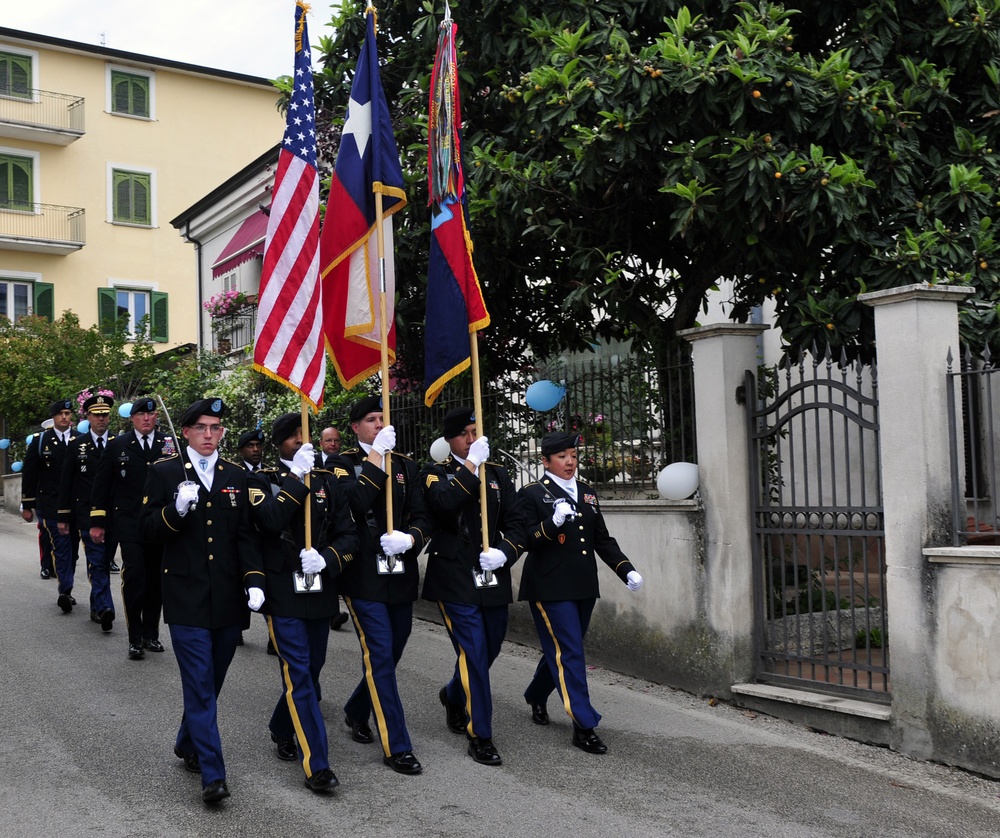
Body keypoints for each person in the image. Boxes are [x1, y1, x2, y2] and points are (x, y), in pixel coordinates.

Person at [139, 397, 265, 805]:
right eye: (202, 428)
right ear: (187, 432)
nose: (210, 434)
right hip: (185, 596)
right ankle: (213, 774)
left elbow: (245, 534)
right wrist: (175, 510)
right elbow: (146, 530)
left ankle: (186, 741)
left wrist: (254, 580)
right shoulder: (165, 472)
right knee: (198, 683)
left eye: (216, 428)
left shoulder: (235, 475)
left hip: (228, 597)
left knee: (212, 682)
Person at [249, 412, 357, 792]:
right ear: (281, 443)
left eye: (306, 436)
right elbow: (269, 521)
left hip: (319, 588)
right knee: (298, 673)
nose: (303, 443)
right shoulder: (263, 479)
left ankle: (281, 725)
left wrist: (327, 558)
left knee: (312, 669)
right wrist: (296, 478)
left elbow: (349, 535)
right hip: (282, 591)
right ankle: (317, 764)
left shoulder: (329, 481)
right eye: (296, 437)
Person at [517, 431, 644, 754]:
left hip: (583, 585)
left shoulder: (586, 493)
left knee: (562, 649)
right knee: (570, 651)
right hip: (549, 586)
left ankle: (535, 694)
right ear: (545, 461)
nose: (570, 461)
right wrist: (553, 523)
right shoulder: (532, 494)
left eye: (573, 455)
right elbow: (526, 539)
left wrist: (625, 568)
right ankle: (584, 724)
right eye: (562, 456)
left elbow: (601, 539)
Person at [420, 406, 528, 766]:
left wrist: (505, 552)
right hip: (454, 577)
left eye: (475, 431)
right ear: (449, 439)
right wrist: (470, 467)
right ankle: (480, 734)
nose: (472, 438)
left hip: (491, 574)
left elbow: (517, 523)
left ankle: (453, 694)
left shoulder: (497, 473)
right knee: (475, 654)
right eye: (465, 433)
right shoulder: (436, 474)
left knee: (491, 647)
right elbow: (445, 505)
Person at [331, 395, 432, 776]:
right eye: (371, 420)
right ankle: (397, 746)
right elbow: (353, 505)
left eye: (382, 418)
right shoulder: (341, 465)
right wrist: (376, 460)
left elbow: (423, 516)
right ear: (355, 427)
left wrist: (411, 539)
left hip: (400, 573)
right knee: (380, 655)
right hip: (362, 576)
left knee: (393, 651)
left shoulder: (405, 464)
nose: (378, 425)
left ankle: (357, 709)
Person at [90, 397, 174, 660]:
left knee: (156, 581)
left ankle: (151, 634)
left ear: (156, 416)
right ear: (133, 418)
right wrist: (97, 522)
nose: (146, 420)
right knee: (135, 577)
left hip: (159, 523)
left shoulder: (169, 444)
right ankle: (134, 637)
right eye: (141, 415)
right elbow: (101, 485)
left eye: (150, 415)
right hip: (129, 522)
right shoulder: (118, 446)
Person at [58, 394, 116, 631]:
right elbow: (66, 482)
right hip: (86, 513)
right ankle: (105, 608)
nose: (101, 419)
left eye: (105, 415)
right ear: (88, 417)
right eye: (96, 415)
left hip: (114, 513)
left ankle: (96, 606)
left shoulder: (118, 443)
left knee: (104, 559)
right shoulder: (76, 445)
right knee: (97, 560)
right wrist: (63, 516)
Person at [21, 399, 79, 600]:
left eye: (68, 413)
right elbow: (30, 475)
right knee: (61, 548)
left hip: (76, 504)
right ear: (53, 417)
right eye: (60, 413)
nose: (64, 417)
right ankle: (66, 590)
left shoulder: (80, 439)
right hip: (51, 504)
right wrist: (27, 505)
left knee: (73, 547)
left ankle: (66, 582)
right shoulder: (41, 441)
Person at [316, 425, 350, 631]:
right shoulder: (313, 463)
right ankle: (330, 611)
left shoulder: (346, 462)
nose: (333, 445)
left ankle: (333, 612)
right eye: (329, 441)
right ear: (320, 443)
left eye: (337, 441)